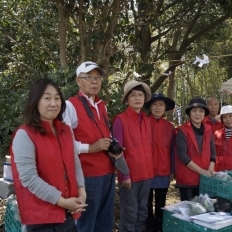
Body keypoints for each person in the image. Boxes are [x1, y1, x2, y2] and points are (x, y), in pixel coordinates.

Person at [11, 78, 87, 232]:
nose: (53, 103)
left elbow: (75, 163)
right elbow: (29, 178)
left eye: (57, 98)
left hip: (68, 214)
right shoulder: (24, 134)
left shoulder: (65, 131)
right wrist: (62, 201)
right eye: (47, 98)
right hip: (41, 218)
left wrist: (82, 190)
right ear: (35, 101)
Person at [63, 61, 122, 232]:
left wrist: (112, 147)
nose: (94, 81)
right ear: (78, 81)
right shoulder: (70, 105)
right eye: (88, 77)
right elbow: (63, 143)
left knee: (105, 222)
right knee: (85, 224)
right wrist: (89, 148)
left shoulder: (101, 105)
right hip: (87, 175)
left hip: (108, 172)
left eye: (97, 77)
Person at [113, 80, 153, 232]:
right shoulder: (120, 120)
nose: (137, 98)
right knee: (130, 212)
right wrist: (124, 175)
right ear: (126, 99)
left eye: (140, 95)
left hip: (147, 174)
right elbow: (117, 151)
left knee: (142, 211)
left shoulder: (146, 120)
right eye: (133, 95)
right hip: (130, 175)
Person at [143, 93, 175, 232]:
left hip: (163, 170)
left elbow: (173, 150)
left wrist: (173, 170)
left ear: (165, 108)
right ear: (150, 106)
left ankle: (160, 227)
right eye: (155, 104)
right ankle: (149, 227)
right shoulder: (143, 122)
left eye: (161, 105)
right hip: (146, 170)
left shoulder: (169, 127)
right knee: (147, 202)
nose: (158, 107)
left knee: (161, 203)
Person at [175, 96, 216, 201]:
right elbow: (182, 155)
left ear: (204, 114)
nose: (198, 114)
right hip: (187, 179)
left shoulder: (208, 129)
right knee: (188, 212)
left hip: (204, 179)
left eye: (201, 111)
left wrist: (210, 169)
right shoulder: (182, 130)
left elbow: (213, 151)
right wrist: (201, 171)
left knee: (203, 211)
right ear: (189, 113)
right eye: (194, 111)